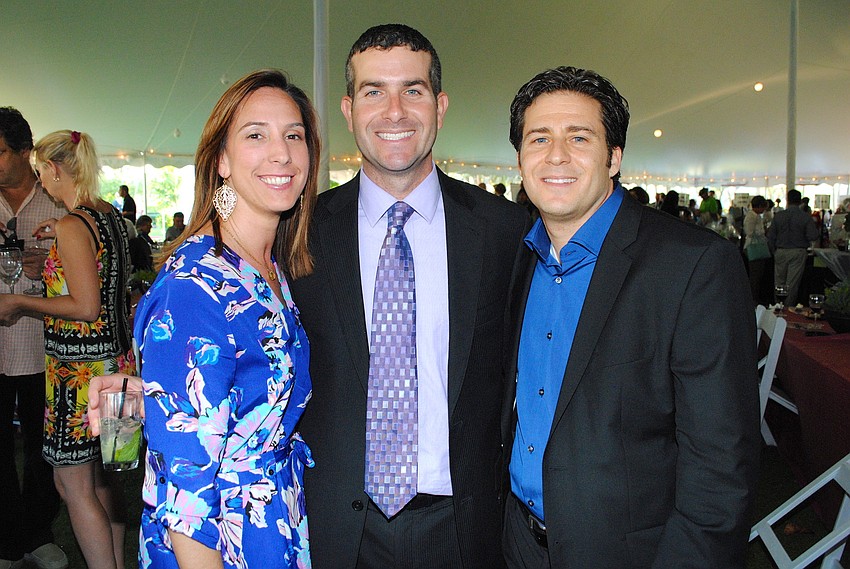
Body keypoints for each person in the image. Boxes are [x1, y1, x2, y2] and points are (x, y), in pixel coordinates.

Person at [289, 24, 528, 568]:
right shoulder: (301, 232)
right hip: (336, 528)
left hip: (465, 528)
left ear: (439, 106)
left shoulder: (504, 232)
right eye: (374, 91)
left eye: (413, 90)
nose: (394, 111)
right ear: (348, 110)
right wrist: (155, 382)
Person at [501, 66, 759, 568]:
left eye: (579, 137)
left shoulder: (693, 265)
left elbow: (721, 464)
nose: (556, 155)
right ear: (520, 159)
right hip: (517, 544)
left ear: (614, 157)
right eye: (538, 139)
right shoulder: (516, 258)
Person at [96, 69, 319, 569]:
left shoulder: (268, 269)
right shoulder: (195, 286)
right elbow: (187, 498)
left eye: (294, 135)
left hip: (272, 523)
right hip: (219, 543)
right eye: (256, 135)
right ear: (221, 159)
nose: (281, 152)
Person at [0, 129, 136, 569]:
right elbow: (96, 286)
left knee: (72, 486)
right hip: (117, 368)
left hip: (77, 376)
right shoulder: (111, 217)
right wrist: (52, 263)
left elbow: (84, 304)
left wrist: (20, 300)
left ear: (57, 169)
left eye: (43, 173)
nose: (42, 183)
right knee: (108, 484)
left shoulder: (75, 223)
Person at [0, 107, 68, 569]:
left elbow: (84, 281)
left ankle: (39, 531)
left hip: (43, 345)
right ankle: (6, 538)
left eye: (1, 152)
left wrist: (47, 268)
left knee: (47, 446)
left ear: (26, 152)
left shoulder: (58, 204)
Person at [767, 188, 818, 307]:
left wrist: (774, 251)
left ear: (787, 200)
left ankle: (778, 307)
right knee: (792, 284)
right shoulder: (804, 217)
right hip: (797, 251)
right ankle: (788, 309)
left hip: (780, 250)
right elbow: (813, 235)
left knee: (779, 283)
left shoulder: (779, 216)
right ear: (800, 201)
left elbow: (770, 236)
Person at [744, 195, 770, 304]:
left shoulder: (756, 216)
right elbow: (750, 232)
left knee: (757, 276)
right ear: (759, 206)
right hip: (754, 248)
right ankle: (753, 299)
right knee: (755, 276)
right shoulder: (752, 217)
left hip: (755, 247)